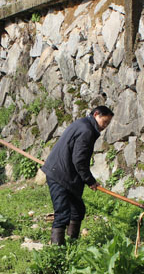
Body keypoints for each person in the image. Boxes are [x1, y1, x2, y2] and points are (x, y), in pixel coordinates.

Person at [41, 105, 114, 245]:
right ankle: (57, 251)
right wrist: (90, 181)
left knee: (78, 210)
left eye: (108, 123)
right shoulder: (87, 130)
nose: (105, 126)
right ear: (96, 114)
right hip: (59, 175)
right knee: (62, 213)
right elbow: (79, 161)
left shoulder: (83, 124)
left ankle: (73, 242)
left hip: (67, 175)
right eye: (104, 122)